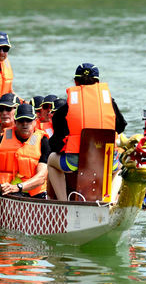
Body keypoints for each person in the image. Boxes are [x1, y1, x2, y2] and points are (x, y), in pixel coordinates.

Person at [47, 63, 127, 201]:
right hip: (107, 160)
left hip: (74, 162)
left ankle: (63, 202)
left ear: (76, 82)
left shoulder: (68, 106)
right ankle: (110, 201)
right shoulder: (109, 103)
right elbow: (121, 126)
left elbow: (57, 138)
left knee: (51, 160)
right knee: (121, 167)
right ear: (98, 82)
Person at [0, 104, 51, 222]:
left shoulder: (43, 141)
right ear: (15, 122)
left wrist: (17, 187)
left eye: (28, 120)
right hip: (7, 195)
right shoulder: (0, 142)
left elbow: (41, 177)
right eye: (21, 121)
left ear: (35, 122)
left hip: (35, 196)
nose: (25, 124)